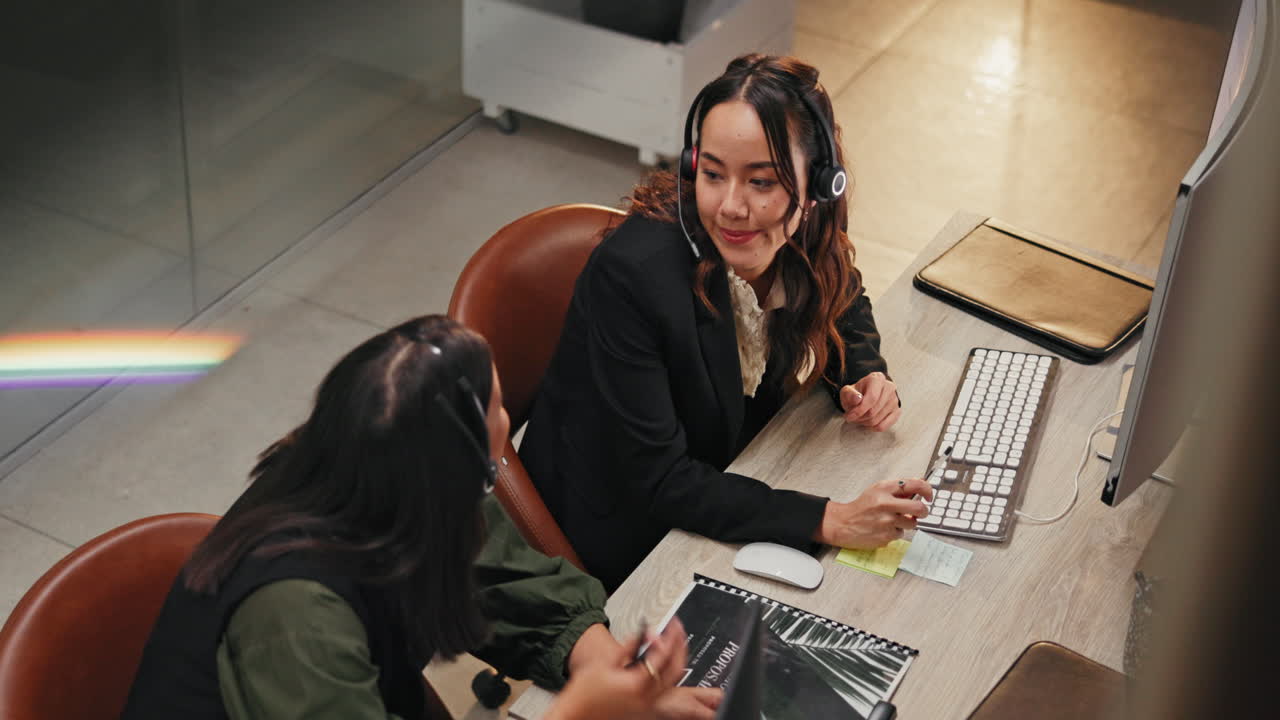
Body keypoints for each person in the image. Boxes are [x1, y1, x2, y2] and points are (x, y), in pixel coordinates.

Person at [121, 315, 720, 720]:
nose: (506, 422)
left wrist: (620, 681)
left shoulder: (393, 473)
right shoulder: (297, 621)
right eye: (498, 409)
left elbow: (506, 578)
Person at [519, 54, 933, 591]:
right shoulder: (632, 276)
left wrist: (863, 372)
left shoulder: (799, 228)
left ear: (816, 188)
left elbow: (844, 294)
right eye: (712, 174)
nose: (730, 207)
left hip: (735, 473)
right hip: (630, 537)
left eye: (761, 182)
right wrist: (833, 519)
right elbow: (662, 482)